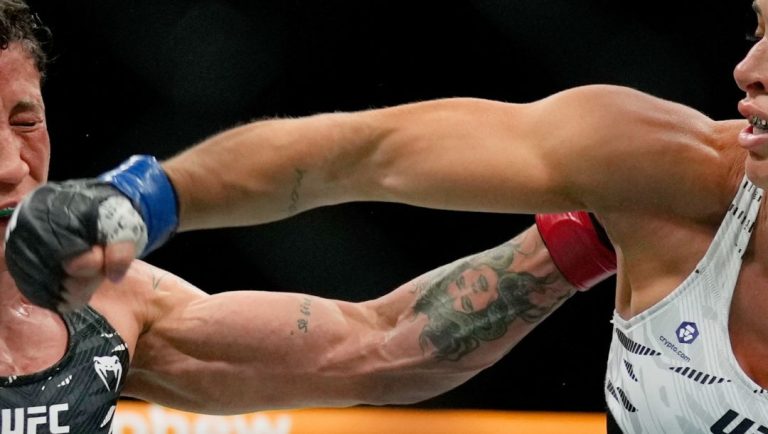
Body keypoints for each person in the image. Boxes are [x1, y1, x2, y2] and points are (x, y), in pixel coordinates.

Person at [9, 1, 768, 432]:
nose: (14, 165)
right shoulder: (682, 167)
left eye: (24, 120)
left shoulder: (114, 311)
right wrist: (144, 195)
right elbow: (362, 153)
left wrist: (586, 234)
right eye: (756, 31)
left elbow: (384, 345)